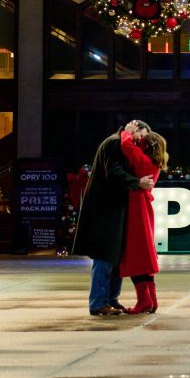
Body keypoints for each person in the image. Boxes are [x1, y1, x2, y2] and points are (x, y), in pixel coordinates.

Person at [71, 120, 154, 316]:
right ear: (134, 128)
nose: (141, 141)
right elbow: (114, 171)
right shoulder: (115, 143)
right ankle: (99, 302)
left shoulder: (118, 143)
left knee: (115, 257)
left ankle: (110, 300)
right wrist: (137, 182)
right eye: (141, 136)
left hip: (112, 209)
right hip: (105, 210)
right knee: (105, 257)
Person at [120, 131, 169, 314]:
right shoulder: (154, 163)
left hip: (136, 209)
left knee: (136, 258)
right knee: (145, 258)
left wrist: (127, 131)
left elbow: (127, 146)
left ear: (147, 146)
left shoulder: (144, 162)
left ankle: (144, 301)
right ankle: (151, 300)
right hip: (143, 209)